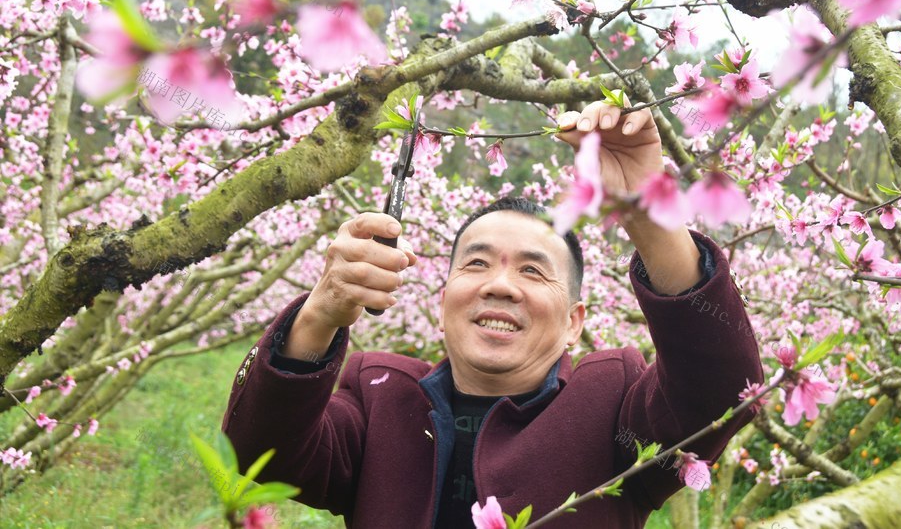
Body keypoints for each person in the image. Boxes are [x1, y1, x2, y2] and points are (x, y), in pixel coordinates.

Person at [222, 98, 764, 528]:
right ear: (442, 301)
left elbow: (721, 389)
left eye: (532, 270)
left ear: (575, 320)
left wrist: (647, 215)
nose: (500, 285)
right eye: (476, 264)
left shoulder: (616, 408)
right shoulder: (378, 397)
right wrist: (320, 313)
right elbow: (260, 453)